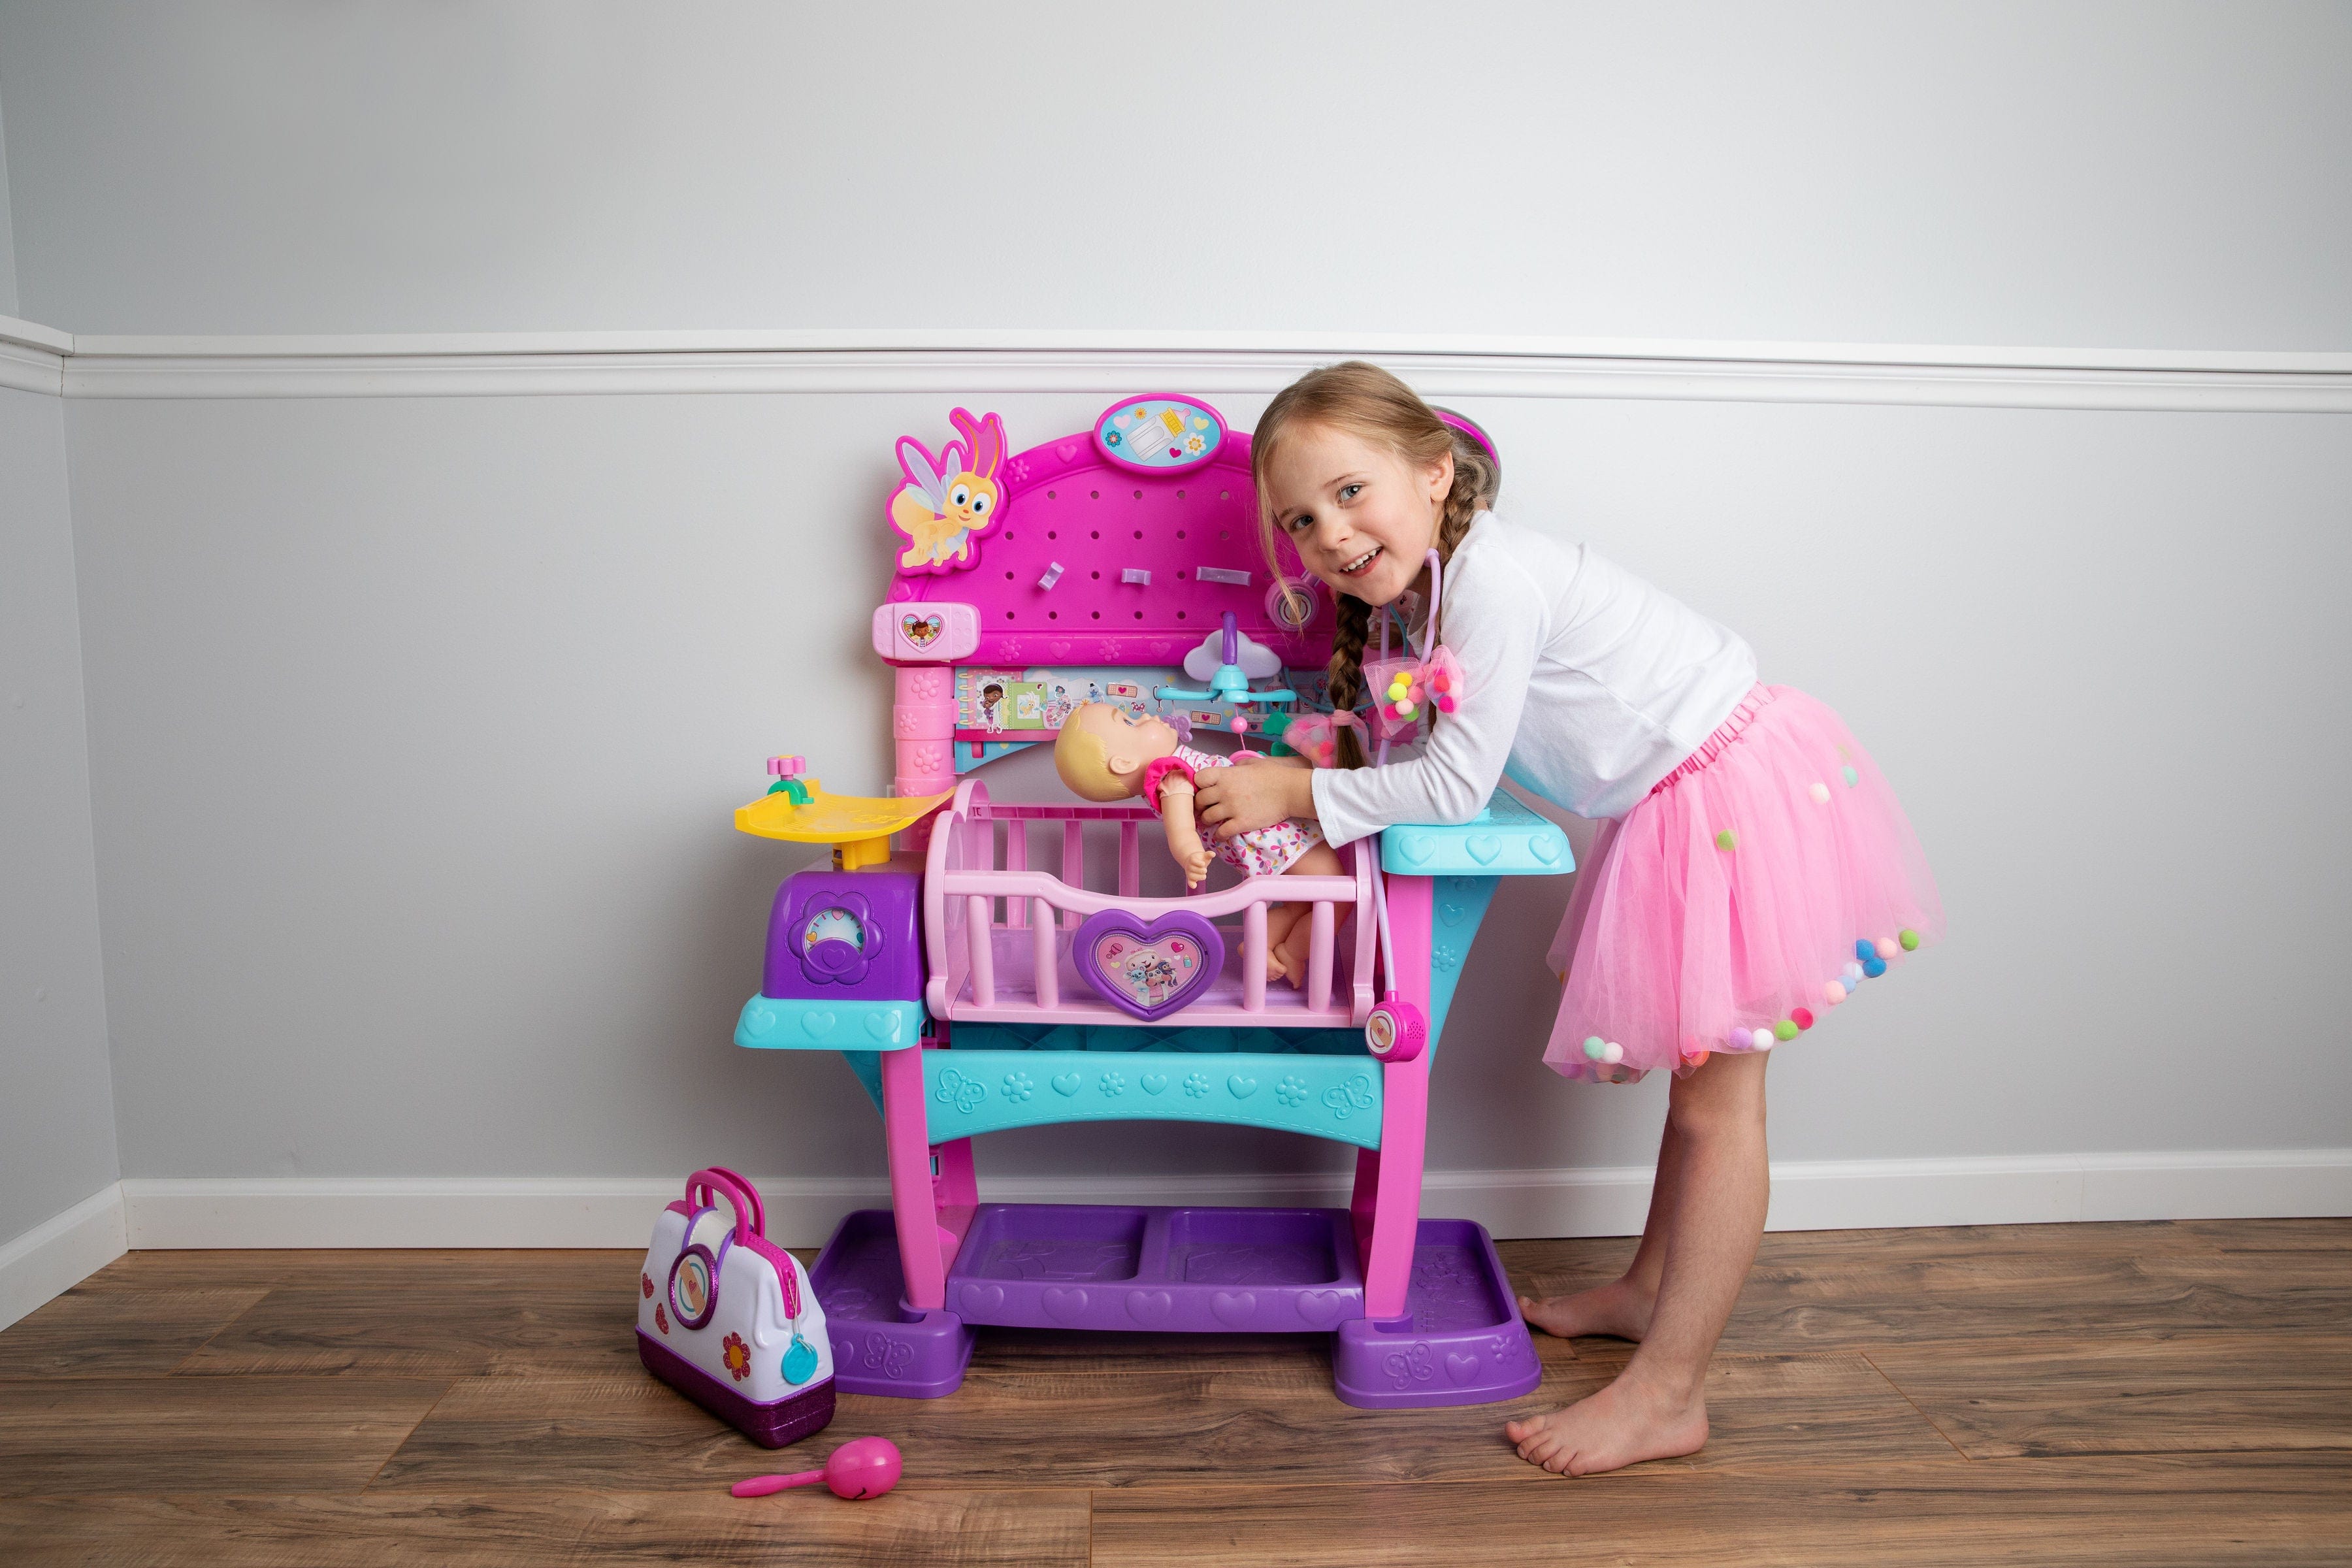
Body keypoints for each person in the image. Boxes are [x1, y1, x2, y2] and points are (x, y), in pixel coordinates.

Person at [1191, 361, 1942, 1477]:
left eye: (1352, 493)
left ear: (1436, 473)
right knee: (1700, 1097)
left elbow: (1450, 787)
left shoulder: (1495, 582)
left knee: (1717, 1109)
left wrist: (1292, 796)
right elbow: (1438, 758)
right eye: (1301, 520)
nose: (1330, 535)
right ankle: (1649, 1294)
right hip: (1679, 802)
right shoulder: (1433, 596)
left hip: (1725, 793)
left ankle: (1672, 1394)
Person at [1054, 702, 1341, 984]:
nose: (1147, 718)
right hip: (1276, 835)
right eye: (1130, 722)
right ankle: (1293, 953)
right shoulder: (1171, 776)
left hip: (1271, 833)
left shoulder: (1170, 774)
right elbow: (1179, 829)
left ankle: (1262, 946)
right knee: (1338, 896)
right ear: (1124, 763)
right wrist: (1190, 855)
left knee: (1301, 905)